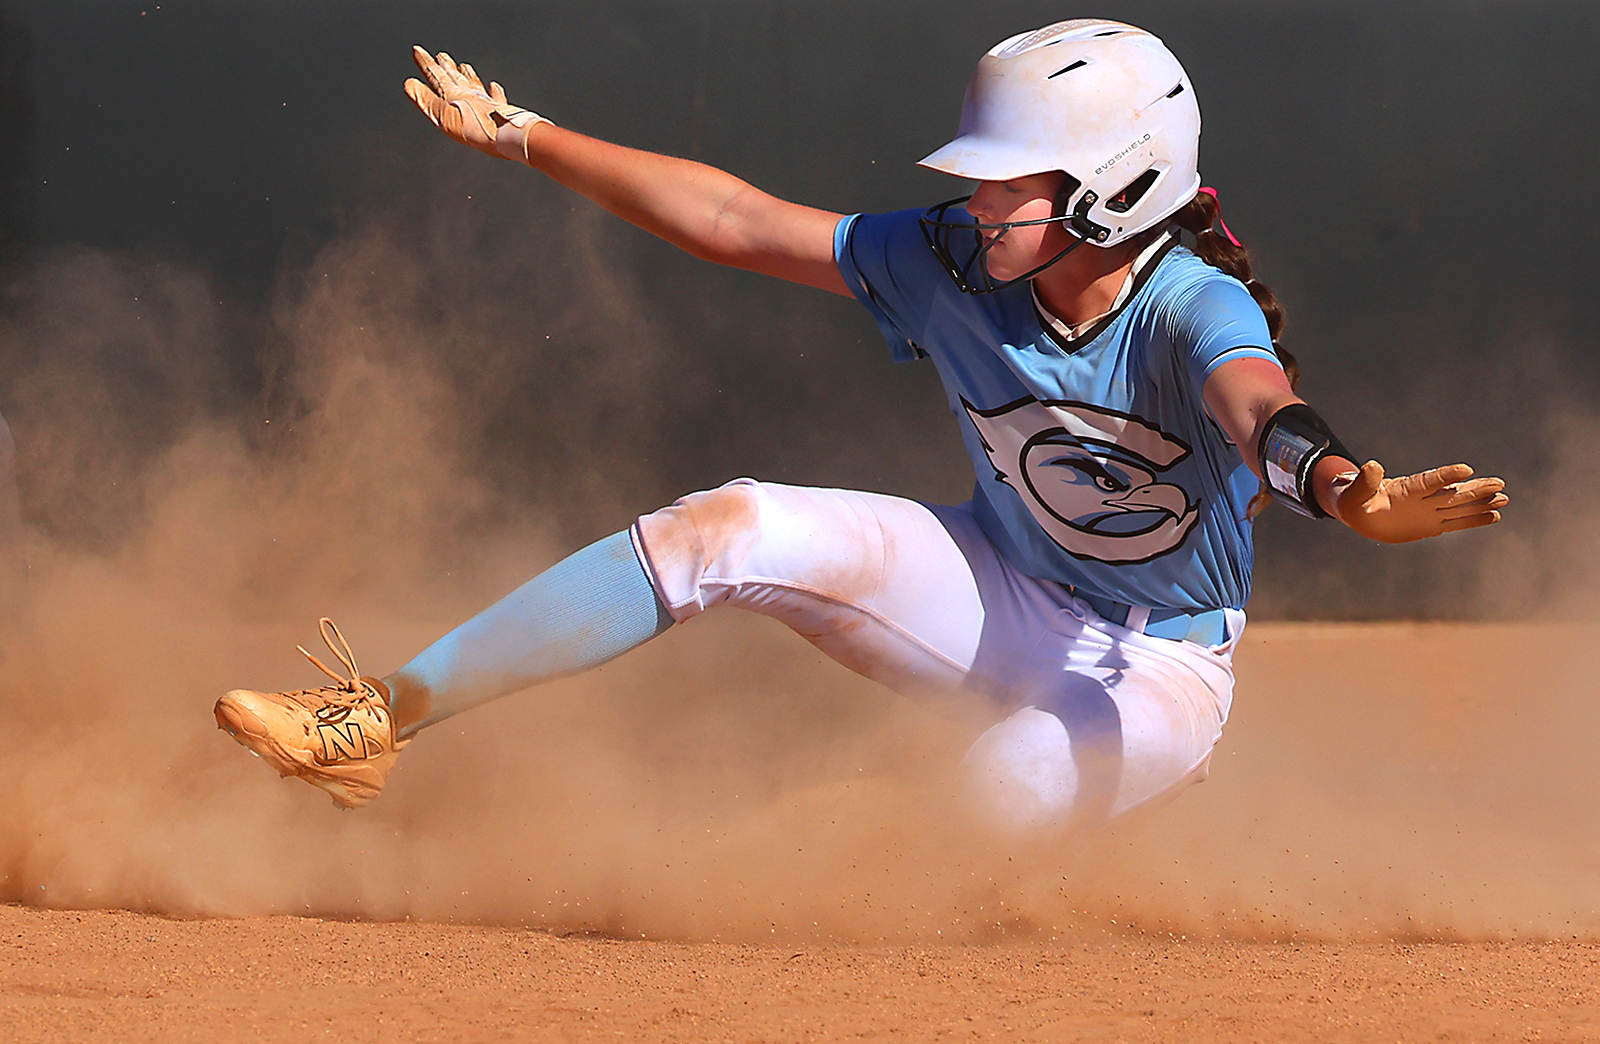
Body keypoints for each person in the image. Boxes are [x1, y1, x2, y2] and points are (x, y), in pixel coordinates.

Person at [215, 19, 1506, 828]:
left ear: (1111, 191)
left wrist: (1347, 491)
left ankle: (1098, 794)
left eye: (1011, 172)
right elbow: (735, 221)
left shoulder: (1190, 303)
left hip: (1154, 666)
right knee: (729, 524)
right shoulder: (951, 254)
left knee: (969, 815)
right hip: (1004, 585)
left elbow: (1258, 406)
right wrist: (529, 135)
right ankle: (377, 717)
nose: (977, 191)